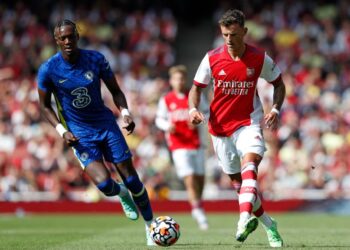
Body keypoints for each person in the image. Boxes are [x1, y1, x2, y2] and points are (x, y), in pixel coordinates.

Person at [36, 19, 155, 246]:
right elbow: (43, 106)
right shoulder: (48, 69)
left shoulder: (95, 59)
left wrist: (126, 113)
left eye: (72, 36)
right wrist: (62, 131)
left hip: (106, 126)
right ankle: (121, 195)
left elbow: (116, 91)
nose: (68, 41)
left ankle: (150, 226)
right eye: (63, 38)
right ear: (57, 40)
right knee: (104, 185)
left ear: (78, 36)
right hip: (79, 133)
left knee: (131, 177)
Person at [188, 9, 285, 247]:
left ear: (244, 31)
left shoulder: (260, 58)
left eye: (233, 34)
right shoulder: (212, 57)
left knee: (249, 166)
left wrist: (275, 109)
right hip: (219, 128)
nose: (229, 40)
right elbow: (196, 88)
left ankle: (242, 221)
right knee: (241, 187)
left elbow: (279, 84)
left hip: (248, 122)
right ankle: (270, 225)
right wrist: (192, 109)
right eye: (225, 35)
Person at [155, 65, 209, 230]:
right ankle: (197, 210)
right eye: (176, 78)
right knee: (190, 178)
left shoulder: (194, 96)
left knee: (200, 179)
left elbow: (207, 112)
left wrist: (198, 119)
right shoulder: (166, 99)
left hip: (197, 143)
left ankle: (197, 204)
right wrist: (167, 126)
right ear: (171, 81)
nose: (179, 81)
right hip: (178, 144)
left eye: (182, 78)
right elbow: (159, 119)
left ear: (185, 80)